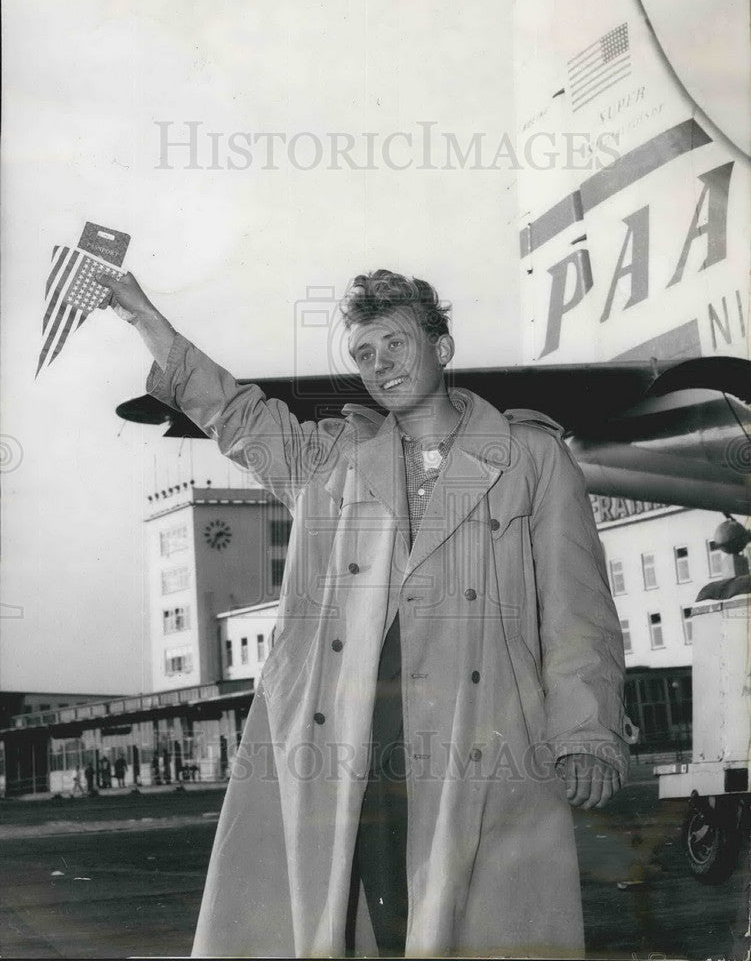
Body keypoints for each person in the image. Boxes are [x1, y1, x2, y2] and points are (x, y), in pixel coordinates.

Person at [98, 267, 630, 959]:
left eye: (395, 344)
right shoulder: (335, 461)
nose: (380, 366)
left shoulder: (528, 457)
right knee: (367, 915)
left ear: (440, 346)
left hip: (482, 731)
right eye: (363, 354)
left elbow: (576, 610)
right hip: (354, 733)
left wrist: (586, 733)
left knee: (471, 922)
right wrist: (143, 315)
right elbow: (234, 414)